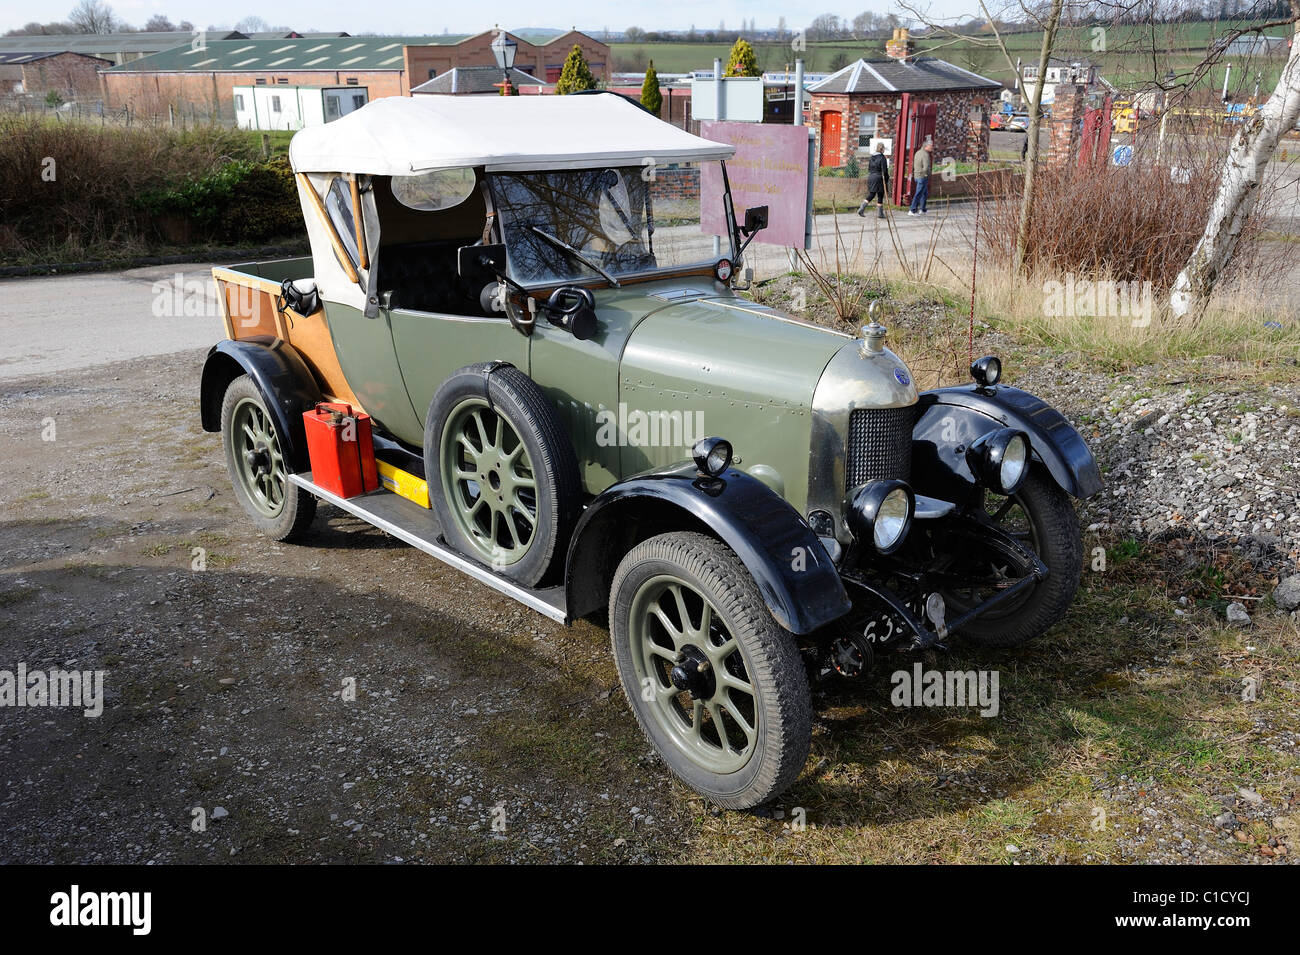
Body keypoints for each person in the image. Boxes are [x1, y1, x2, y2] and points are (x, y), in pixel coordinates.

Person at [857, 142, 890, 218]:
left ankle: (861, 208)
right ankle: (880, 213)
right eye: (884, 148)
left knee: (872, 194)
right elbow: (884, 170)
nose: (884, 149)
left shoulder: (872, 157)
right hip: (879, 178)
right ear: (882, 149)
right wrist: (886, 178)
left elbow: (869, 168)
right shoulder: (882, 157)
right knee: (880, 195)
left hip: (871, 177)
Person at [908, 140, 932, 216]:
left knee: (924, 193)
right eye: (931, 146)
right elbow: (926, 167)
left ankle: (923, 209)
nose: (932, 147)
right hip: (922, 177)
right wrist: (926, 175)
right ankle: (912, 210)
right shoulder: (925, 155)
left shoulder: (918, 152)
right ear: (926, 146)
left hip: (917, 176)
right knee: (918, 194)